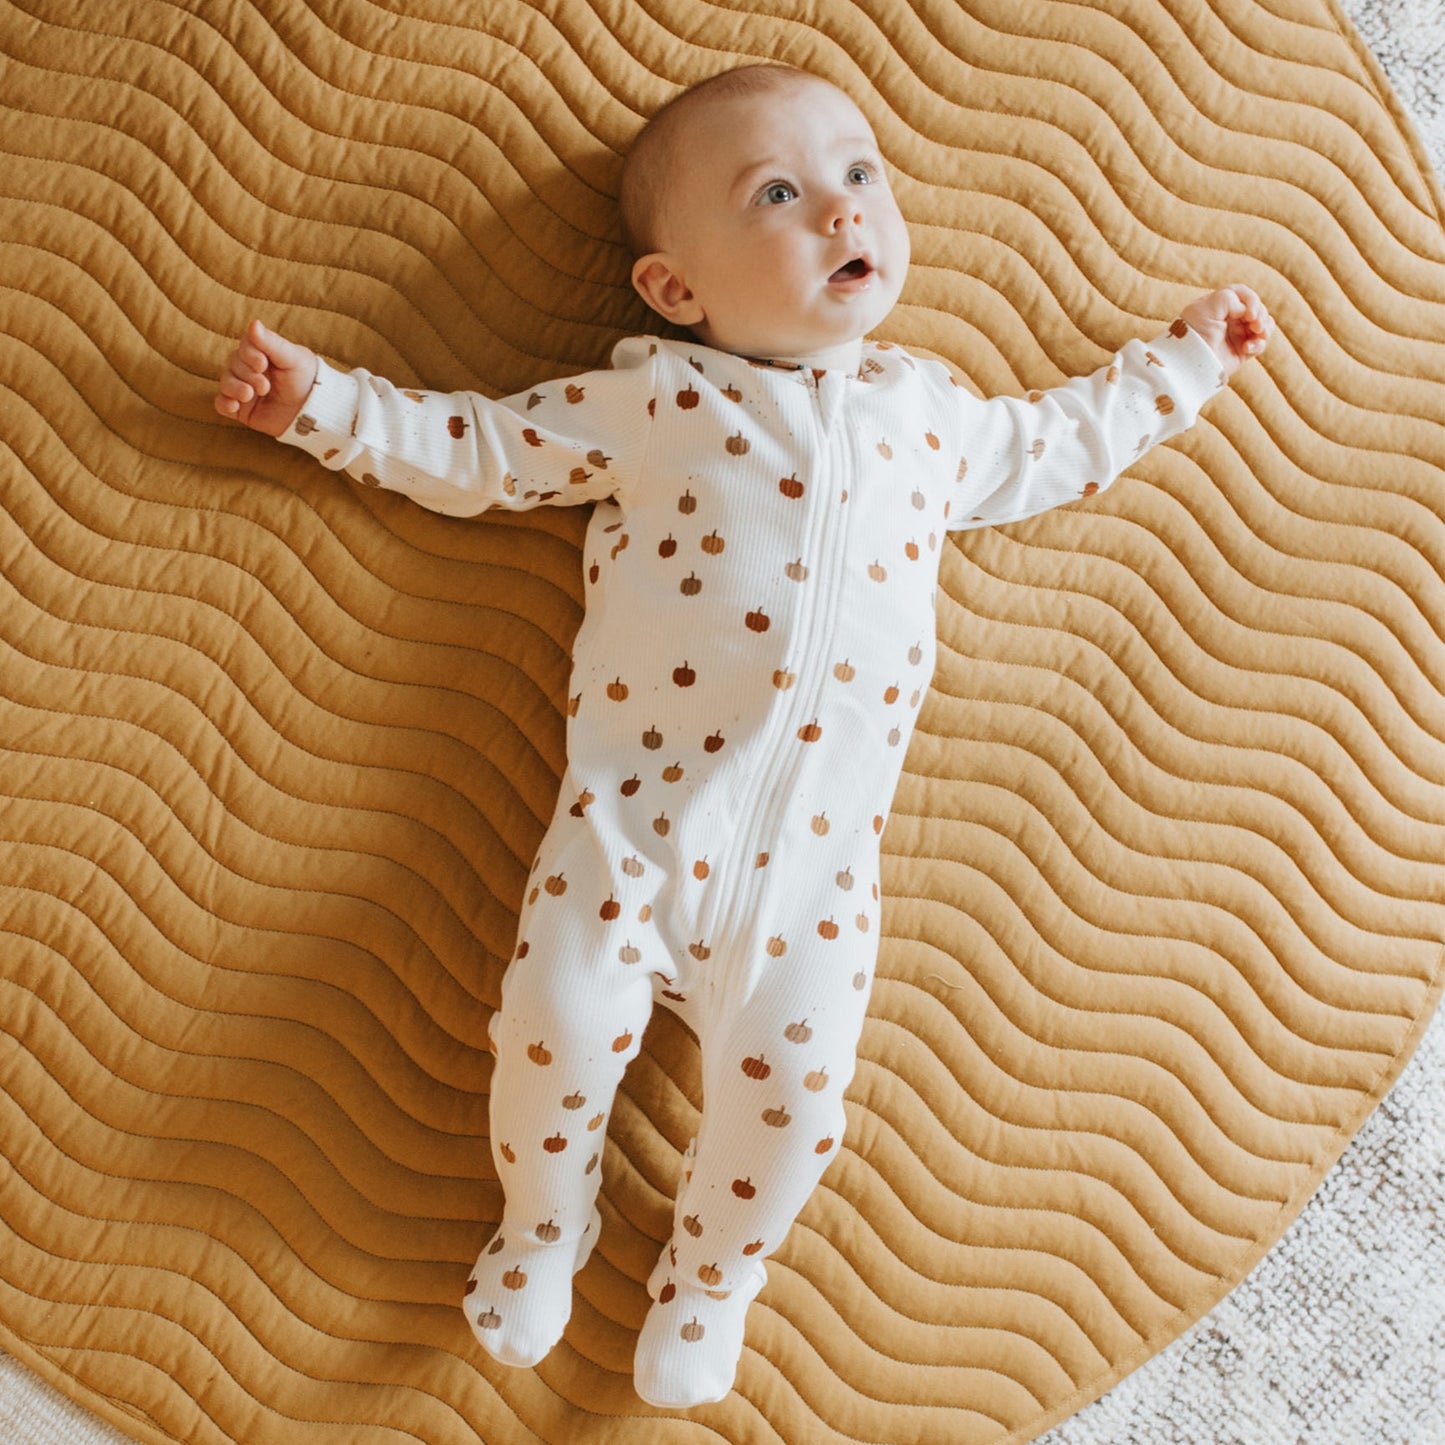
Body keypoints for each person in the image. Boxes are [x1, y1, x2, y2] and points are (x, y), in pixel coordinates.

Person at [213, 61, 1273, 1409]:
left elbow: (1064, 439)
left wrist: (1182, 360)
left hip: (817, 882)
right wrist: (323, 407)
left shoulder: (931, 419)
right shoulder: (658, 403)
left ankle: (713, 1277)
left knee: (797, 1103)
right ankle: (544, 1224)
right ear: (676, 289)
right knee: (547, 1024)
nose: (841, 213)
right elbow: (478, 447)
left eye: (859, 175)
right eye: (780, 193)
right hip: (630, 841)